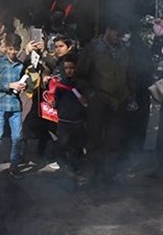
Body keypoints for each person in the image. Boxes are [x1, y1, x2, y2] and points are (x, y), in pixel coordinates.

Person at [75, 18, 131, 185]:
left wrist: (129, 93)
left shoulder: (123, 50)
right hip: (98, 100)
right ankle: (93, 173)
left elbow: (129, 75)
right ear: (107, 30)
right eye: (114, 31)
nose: (116, 36)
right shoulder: (92, 49)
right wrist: (90, 94)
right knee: (95, 139)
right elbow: (80, 75)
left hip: (118, 101)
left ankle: (111, 174)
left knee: (114, 139)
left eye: (119, 33)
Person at [0, 33, 29, 181]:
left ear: (19, 48)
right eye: (10, 49)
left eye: (15, 49)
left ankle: (14, 167)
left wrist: (23, 86)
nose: (13, 52)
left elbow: (26, 82)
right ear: (5, 47)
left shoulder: (21, 65)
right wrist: (9, 85)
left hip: (15, 105)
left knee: (17, 138)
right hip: (0, 104)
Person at [47, 53, 88, 182]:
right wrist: (53, 103)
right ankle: (66, 169)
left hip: (77, 122)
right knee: (62, 145)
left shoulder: (82, 85)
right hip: (63, 122)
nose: (69, 71)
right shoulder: (60, 85)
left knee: (76, 147)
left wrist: (84, 100)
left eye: (72, 67)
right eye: (66, 68)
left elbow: (86, 103)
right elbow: (56, 104)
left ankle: (74, 169)